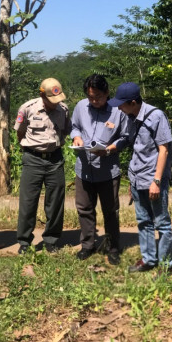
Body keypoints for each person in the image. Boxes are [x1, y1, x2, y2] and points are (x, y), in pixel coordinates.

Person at [108, 82, 172, 272]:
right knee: (143, 221)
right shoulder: (130, 116)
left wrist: (156, 181)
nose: (119, 107)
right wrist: (132, 180)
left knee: (161, 222)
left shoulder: (156, 116)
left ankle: (164, 264)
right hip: (137, 178)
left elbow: (164, 150)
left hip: (153, 179)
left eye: (122, 104)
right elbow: (132, 144)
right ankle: (148, 259)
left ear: (134, 102)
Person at [70, 74, 128, 265]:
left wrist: (112, 148)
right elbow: (75, 126)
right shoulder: (80, 107)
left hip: (107, 170)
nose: (95, 101)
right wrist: (76, 137)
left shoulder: (118, 111)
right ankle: (87, 245)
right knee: (85, 208)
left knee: (110, 210)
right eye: (91, 98)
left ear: (107, 93)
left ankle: (112, 247)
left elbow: (125, 136)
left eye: (99, 97)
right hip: (84, 169)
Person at [14, 77, 70, 254]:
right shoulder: (28, 108)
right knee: (28, 202)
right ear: (41, 95)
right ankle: (24, 241)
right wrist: (31, 150)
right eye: (51, 100)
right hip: (33, 159)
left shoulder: (63, 110)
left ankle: (51, 240)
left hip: (55, 159)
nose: (55, 104)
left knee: (55, 203)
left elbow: (66, 130)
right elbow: (20, 133)